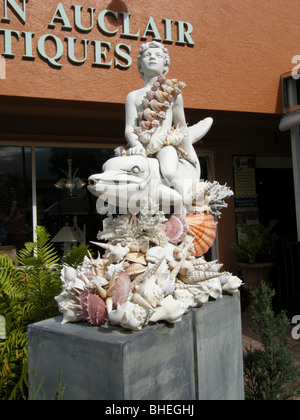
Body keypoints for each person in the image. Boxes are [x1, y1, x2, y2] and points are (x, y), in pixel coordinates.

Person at [124, 41, 211, 196]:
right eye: (147, 55)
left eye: (158, 56)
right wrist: (136, 144)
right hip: (141, 148)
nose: (152, 58)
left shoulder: (172, 93)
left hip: (165, 145)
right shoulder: (133, 96)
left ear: (165, 65)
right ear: (139, 65)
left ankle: (185, 209)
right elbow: (130, 128)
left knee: (170, 172)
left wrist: (190, 155)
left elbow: (181, 125)